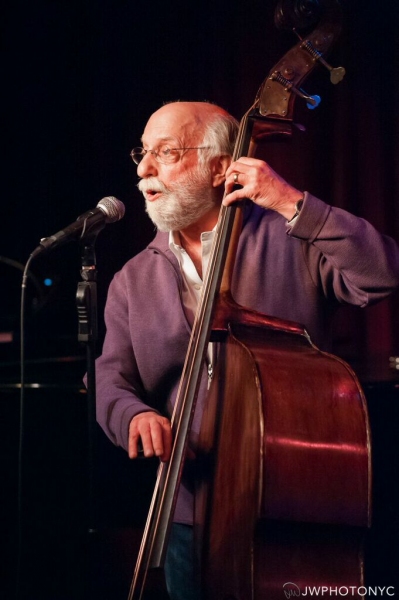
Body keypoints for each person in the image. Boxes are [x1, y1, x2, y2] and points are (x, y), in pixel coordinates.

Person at [94, 101, 399, 599]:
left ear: (221, 167)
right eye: (142, 154)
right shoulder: (133, 278)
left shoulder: (292, 238)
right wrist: (132, 416)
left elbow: (383, 274)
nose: (144, 170)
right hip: (189, 507)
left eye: (165, 153)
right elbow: (110, 379)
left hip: (297, 496)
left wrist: (292, 203)